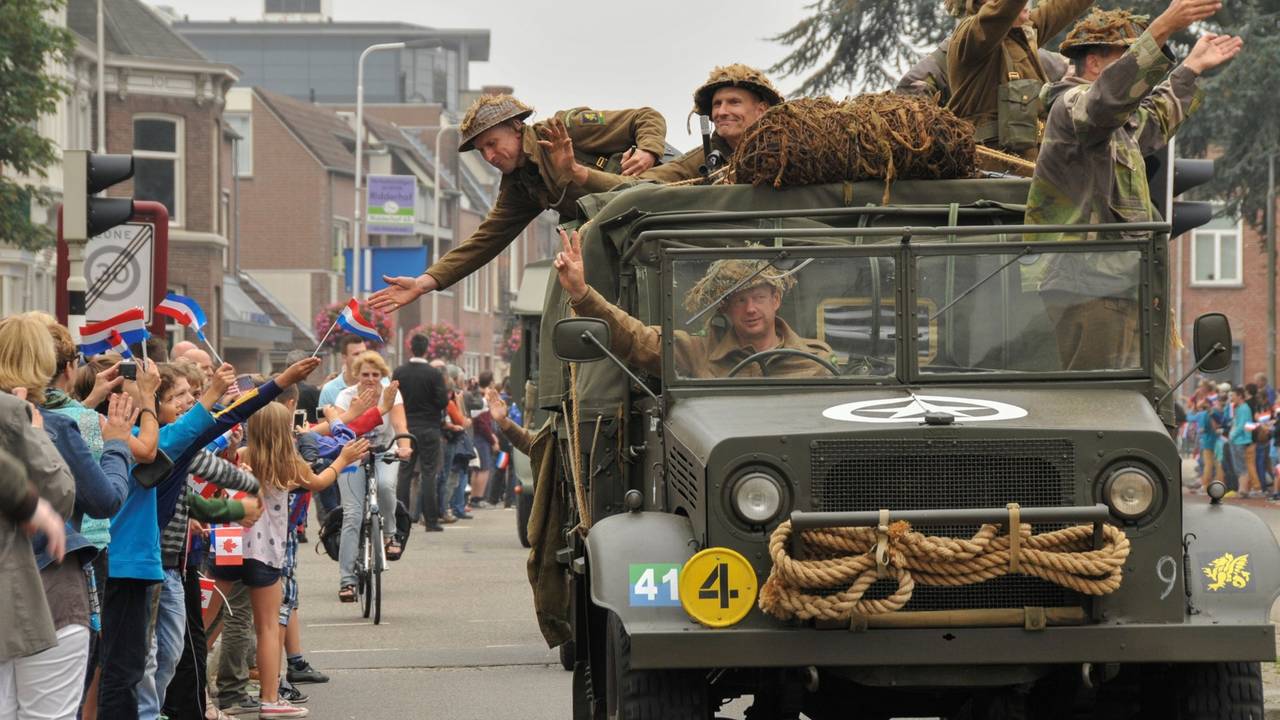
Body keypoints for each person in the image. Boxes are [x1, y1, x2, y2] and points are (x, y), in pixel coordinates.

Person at [1025, 1, 1240, 426]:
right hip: (1089, 290)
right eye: (1127, 56)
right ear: (1093, 63)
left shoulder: (1113, 125)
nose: (1139, 67)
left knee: (1142, 414)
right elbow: (1106, 100)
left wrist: (1190, 69)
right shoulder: (1071, 107)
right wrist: (1161, 28)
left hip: (1119, 288)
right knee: (1102, 416)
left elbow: (1152, 118)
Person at [369, 94, 667, 314]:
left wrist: (647, 152)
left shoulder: (564, 130)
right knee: (564, 298)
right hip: (621, 244)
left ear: (516, 127)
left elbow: (646, 117)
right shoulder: (521, 186)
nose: (489, 157)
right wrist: (423, 283)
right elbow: (484, 241)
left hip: (659, 206)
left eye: (492, 143)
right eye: (481, 151)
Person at [204, 402, 366, 719]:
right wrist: (343, 459)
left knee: (206, 623)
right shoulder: (289, 463)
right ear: (283, 430)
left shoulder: (243, 456)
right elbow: (319, 482)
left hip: (229, 545)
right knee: (267, 626)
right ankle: (270, 699)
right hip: (265, 553)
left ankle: (190, 686)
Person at [554, 229, 834, 379]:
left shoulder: (813, 360)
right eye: (739, 300)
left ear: (776, 300)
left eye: (759, 297)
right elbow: (635, 339)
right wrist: (582, 293)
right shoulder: (697, 353)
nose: (750, 309)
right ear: (724, 307)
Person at [945, 0, 1096, 159]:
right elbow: (1004, 10)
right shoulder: (973, 34)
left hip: (1029, 165)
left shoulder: (1020, 34)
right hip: (992, 167)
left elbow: (1065, 5)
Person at [332, 351, 409, 599]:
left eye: (376, 374)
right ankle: (347, 580)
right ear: (357, 374)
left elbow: (399, 424)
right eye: (365, 374)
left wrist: (405, 446)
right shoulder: (346, 396)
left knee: (385, 486)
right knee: (352, 514)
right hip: (352, 454)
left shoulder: (391, 393)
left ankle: (389, 534)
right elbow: (340, 428)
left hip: (384, 451)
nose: (371, 379)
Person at [638, 64, 784, 184]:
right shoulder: (704, 158)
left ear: (761, 110)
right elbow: (641, 183)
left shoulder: (789, 151)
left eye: (734, 102)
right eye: (717, 104)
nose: (721, 112)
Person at [392, 334, 448, 531]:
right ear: (426, 349)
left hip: (405, 427)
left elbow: (393, 397)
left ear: (410, 348)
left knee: (404, 473)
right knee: (429, 473)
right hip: (429, 427)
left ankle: (401, 520)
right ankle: (431, 521)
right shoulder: (434, 374)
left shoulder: (399, 372)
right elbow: (442, 401)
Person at [1229, 386, 1257, 496]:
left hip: (1241, 440)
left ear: (1240, 396)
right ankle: (1242, 489)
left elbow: (1242, 425)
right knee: (1238, 466)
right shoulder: (1239, 408)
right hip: (1237, 440)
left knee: (1241, 466)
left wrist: (1232, 435)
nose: (1231, 398)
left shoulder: (1244, 408)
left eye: (1233, 395)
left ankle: (1243, 489)